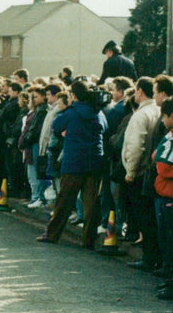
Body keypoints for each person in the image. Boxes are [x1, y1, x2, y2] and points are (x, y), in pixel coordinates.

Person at [37, 80, 108, 249]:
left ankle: (52, 234)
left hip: (74, 161)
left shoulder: (71, 112)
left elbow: (56, 125)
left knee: (64, 200)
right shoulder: (98, 112)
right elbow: (104, 128)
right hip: (95, 161)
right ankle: (88, 240)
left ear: (74, 96)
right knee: (91, 203)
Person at [122, 77, 161, 271]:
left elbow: (136, 145)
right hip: (152, 170)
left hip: (140, 172)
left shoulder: (140, 115)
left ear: (139, 91)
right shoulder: (158, 111)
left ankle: (149, 257)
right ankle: (154, 257)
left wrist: (130, 170)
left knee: (143, 218)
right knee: (152, 218)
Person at [153, 99, 173, 300]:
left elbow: (163, 166)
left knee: (170, 242)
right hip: (165, 194)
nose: (162, 120)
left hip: (170, 195)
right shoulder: (169, 135)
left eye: (165, 116)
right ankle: (169, 281)